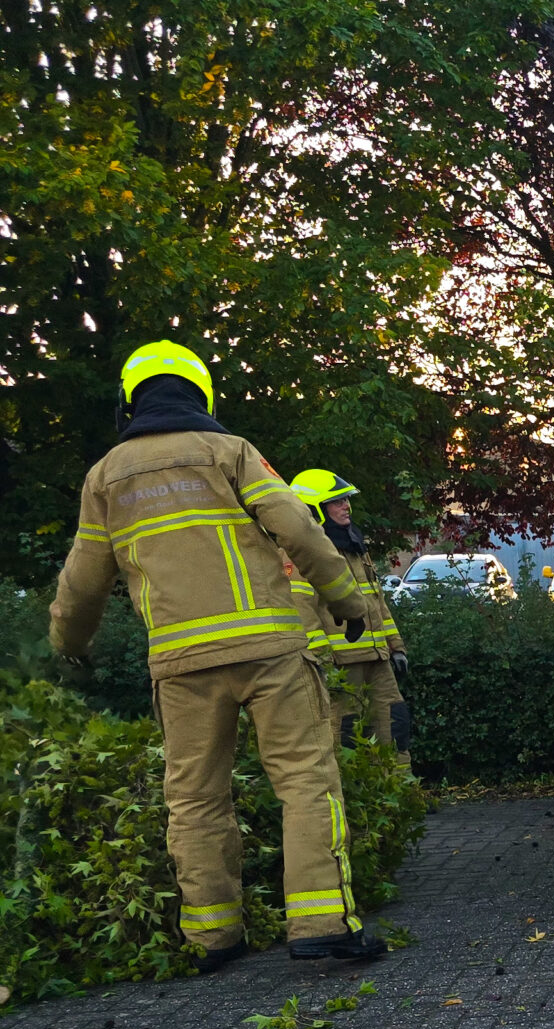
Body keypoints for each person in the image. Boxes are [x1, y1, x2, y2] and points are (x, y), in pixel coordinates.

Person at [50, 341, 384, 966]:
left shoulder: (105, 478)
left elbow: (82, 579)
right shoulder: (229, 452)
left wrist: (67, 645)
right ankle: (321, 926)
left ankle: (213, 937)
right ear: (200, 392)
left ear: (130, 399)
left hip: (180, 665)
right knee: (306, 783)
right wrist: (349, 605)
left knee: (195, 798)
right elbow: (300, 528)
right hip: (270, 653)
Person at [291, 470, 411, 769]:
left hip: (378, 659)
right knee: (343, 733)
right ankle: (353, 798)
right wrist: (321, 660)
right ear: (313, 508)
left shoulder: (355, 547)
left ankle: (402, 793)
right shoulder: (302, 553)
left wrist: (396, 646)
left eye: (346, 500)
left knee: (394, 723)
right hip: (340, 666)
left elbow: (376, 601)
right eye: (337, 501)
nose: (347, 506)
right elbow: (302, 610)